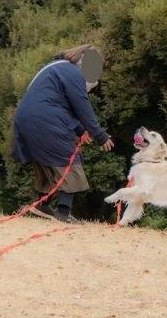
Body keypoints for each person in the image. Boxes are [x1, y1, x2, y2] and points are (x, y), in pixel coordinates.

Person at [11, 44, 114, 224]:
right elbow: (82, 106)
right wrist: (100, 135)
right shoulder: (72, 73)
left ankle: (41, 205)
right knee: (70, 160)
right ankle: (63, 213)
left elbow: (60, 108)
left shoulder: (56, 67)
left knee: (46, 163)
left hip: (26, 118)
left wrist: (81, 130)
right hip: (44, 118)